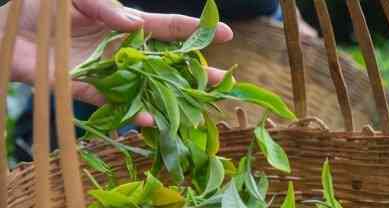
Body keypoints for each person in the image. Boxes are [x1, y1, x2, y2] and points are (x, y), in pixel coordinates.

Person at [2, 0, 316, 162]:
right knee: (98, 151)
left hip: (251, 21)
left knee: (222, 134)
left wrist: (293, 15)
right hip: (124, 28)